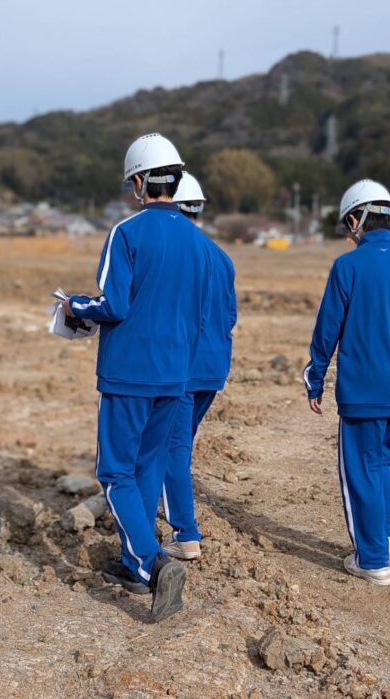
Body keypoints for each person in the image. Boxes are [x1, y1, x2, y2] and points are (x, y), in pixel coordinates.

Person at [63, 133, 210, 622]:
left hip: (128, 373)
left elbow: (114, 305)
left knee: (114, 473)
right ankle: (132, 563)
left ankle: (152, 561)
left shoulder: (126, 233)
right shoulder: (199, 242)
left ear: (142, 182)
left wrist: (74, 306)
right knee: (148, 467)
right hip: (176, 375)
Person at [304, 179, 390, 586]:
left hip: (364, 391)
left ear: (355, 220)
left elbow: (327, 329)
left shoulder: (347, 266)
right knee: (380, 458)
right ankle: (387, 535)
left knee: (359, 471)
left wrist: (315, 379)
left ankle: (371, 560)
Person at [161, 173, 236, 561]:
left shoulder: (175, 252)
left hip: (183, 368)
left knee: (171, 449)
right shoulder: (221, 256)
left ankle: (185, 534)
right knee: (179, 443)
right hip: (213, 367)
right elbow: (230, 315)